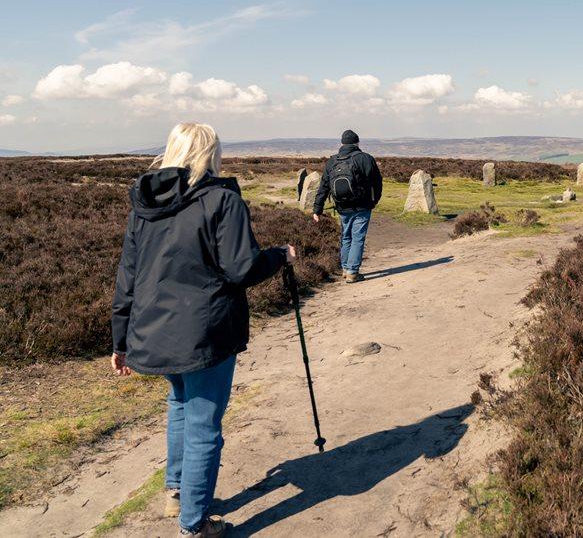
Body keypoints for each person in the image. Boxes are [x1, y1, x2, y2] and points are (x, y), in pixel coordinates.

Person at [111, 122, 296, 537]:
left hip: (155, 332)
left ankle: (176, 491)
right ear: (209, 154)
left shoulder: (144, 205)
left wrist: (120, 339)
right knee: (203, 427)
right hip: (205, 333)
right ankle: (193, 525)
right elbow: (242, 268)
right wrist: (279, 256)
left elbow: (128, 276)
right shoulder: (221, 200)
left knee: (179, 406)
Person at [312, 129, 383, 283]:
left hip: (342, 206)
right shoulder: (365, 159)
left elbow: (324, 186)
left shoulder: (332, 161)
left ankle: (345, 268)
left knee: (346, 237)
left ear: (342, 143)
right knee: (358, 238)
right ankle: (352, 272)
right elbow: (377, 182)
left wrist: (317, 209)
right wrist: (374, 200)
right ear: (357, 142)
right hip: (362, 206)